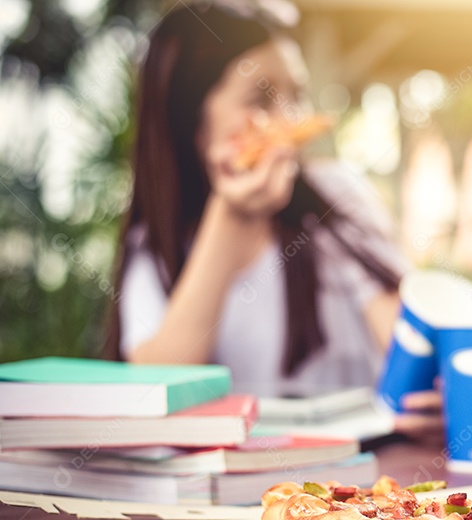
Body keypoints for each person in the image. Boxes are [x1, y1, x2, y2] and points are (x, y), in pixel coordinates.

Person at [103, 2, 440, 438]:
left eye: (296, 96)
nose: (290, 120)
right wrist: (228, 216)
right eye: (261, 99)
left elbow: (409, 352)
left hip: (359, 472)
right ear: (192, 123)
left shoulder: (337, 198)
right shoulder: (158, 244)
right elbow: (158, 391)